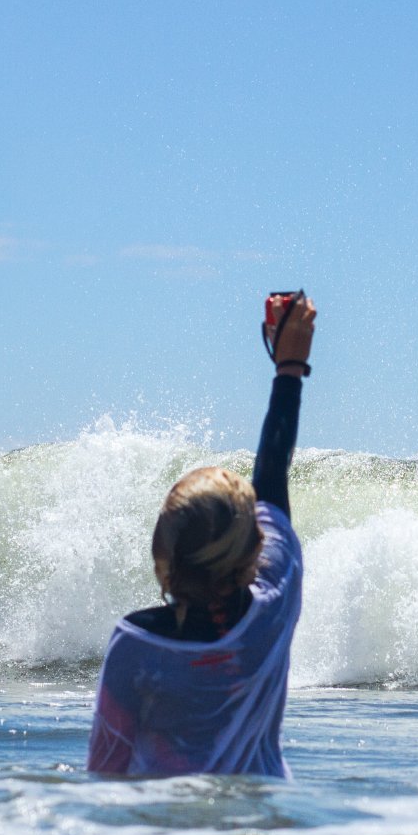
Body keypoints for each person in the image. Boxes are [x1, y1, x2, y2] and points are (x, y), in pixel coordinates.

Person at [87, 295, 317, 777]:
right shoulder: (274, 603)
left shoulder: (136, 644)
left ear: (163, 548)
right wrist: (289, 365)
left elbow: (106, 774)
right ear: (255, 546)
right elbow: (272, 476)